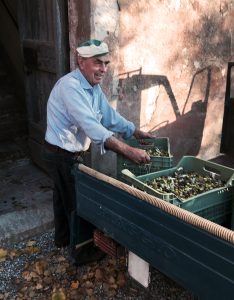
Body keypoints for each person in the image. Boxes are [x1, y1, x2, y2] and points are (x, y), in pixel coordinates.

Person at [43, 39, 153, 266]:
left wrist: (135, 131)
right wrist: (128, 151)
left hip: (65, 152)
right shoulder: (70, 87)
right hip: (60, 153)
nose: (103, 69)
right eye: (97, 63)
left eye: (106, 63)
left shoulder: (92, 88)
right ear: (81, 62)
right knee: (77, 202)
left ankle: (62, 240)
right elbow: (92, 127)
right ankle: (81, 254)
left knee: (61, 196)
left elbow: (110, 117)